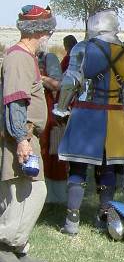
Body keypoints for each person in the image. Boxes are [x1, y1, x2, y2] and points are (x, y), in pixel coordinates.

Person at [54, 9, 124, 234]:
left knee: (78, 167)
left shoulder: (82, 48)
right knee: (108, 169)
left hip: (87, 114)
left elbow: (70, 83)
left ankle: (72, 221)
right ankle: (104, 216)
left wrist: (61, 109)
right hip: (115, 117)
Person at [0, 4, 56, 262]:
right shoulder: (18, 58)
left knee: (32, 191)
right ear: (38, 32)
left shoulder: (26, 56)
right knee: (22, 192)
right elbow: (15, 102)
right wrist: (21, 138)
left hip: (26, 134)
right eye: (48, 31)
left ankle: (17, 246)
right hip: (19, 137)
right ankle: (4, 245)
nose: (49, 36)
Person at [37, 43, 66, 203]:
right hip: (32, 110)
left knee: (52, 151)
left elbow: (57, 85)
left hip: (49, 111)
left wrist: (39, 77)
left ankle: (53, 196)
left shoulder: (50, 58)